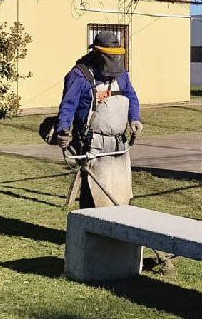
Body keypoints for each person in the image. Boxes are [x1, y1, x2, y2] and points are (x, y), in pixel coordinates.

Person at [55, 31, 143, 207]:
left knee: (120, 194)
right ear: (97, 53)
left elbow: (131, 97)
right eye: (110, 56)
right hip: (91, 144)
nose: (114, 60)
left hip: (119, 144)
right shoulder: (79, 75)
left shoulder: (122, 75)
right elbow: (68, 105)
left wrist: (134, 118)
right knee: (93, 197)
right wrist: (62, 130)